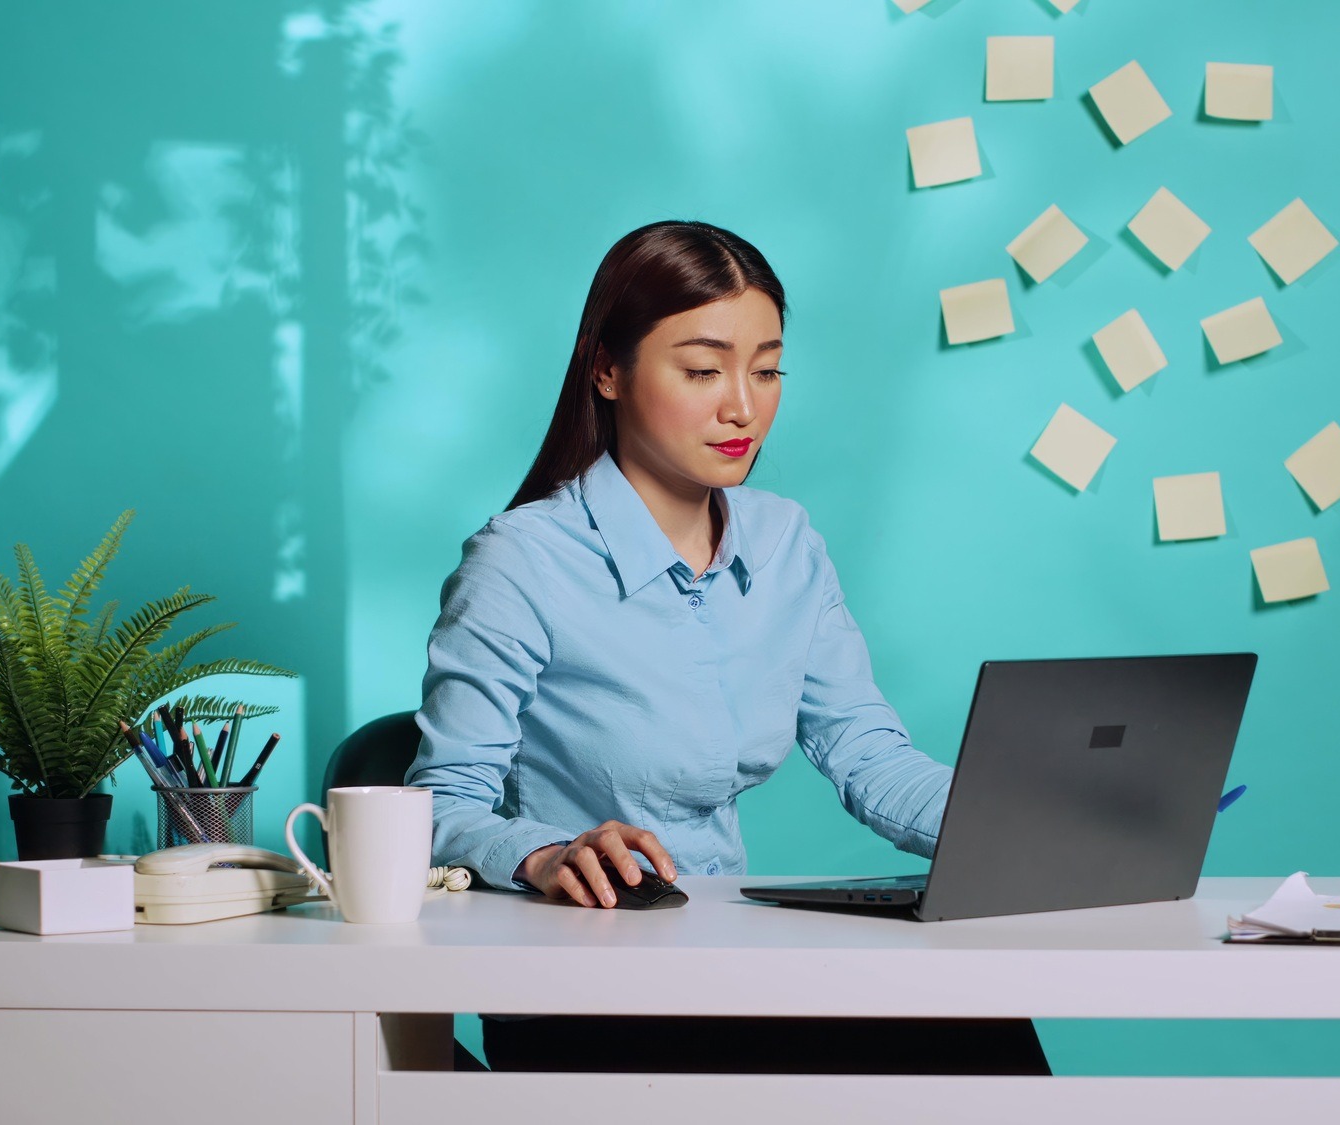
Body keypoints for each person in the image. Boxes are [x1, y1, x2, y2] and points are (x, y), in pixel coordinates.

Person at [406, 220, 1049, 1076]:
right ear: (607, 368)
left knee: (982, 1022)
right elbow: (438, 805)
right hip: (583, 991)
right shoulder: (521, 562)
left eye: (768, 368)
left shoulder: (786, 543)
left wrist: (1020, 822)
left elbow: (865, 749)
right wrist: (546, 853)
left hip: (730, 964)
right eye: (703, 370)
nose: (743, 405)